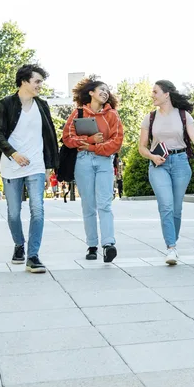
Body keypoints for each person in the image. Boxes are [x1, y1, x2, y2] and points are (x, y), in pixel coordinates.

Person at [0, 64, 59, 273]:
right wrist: (13, 153)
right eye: (37, 81)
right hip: (11, 165)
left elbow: (49, 137)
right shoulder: (5, 104)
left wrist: (49, 167)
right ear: (24, 82)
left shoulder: (42, 106)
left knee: (37, 210)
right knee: (13, 213)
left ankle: (33, 256)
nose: (40, 86)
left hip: (36, 165)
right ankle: (19, 244)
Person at [137, 80, 194, 265]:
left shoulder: (183, 116)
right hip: (159, 165)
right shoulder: (149, 118)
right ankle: (171, 248)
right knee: (166, 206)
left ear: (166, 94)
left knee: (176, 208)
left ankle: (172, 244)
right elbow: (141, 147)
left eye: (155, 92)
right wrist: (152, 157)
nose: (152, 95)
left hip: (181, 163)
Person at [62, 77, 124, 263]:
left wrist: (93, 147)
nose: (105, 93)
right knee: (88, 205)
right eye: (101, 90)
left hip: (104, 160)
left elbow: (116, 142)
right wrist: (90, 141)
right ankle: (92, 245)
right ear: (91, 92)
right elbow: (67, 138)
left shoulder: (112, 115)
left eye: (107, 91)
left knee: (105, 203)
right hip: (83, 162)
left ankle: (108, 244)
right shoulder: (78, 113)